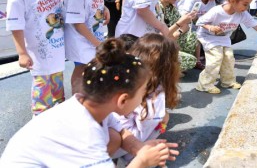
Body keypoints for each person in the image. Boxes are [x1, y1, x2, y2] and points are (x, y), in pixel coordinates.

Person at [0, 38, 179, 167]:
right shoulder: (87, 136)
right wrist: (142, 162)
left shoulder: (87, 106)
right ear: (123, 100)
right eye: (142, 93)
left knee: (115, 136)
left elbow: (122, 131)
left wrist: (139, 149)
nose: (143, 99)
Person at [2, 0, 66, 115]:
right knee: (42, 103)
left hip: (57, 53)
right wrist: (22, 53)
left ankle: (59, 126)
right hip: (39, 56)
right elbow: (16, 26)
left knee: (58, 98)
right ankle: (40, 130)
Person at [113, 33, 181, 164]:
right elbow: (146, 124)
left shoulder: (124, 73)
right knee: (162, 118)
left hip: (108, 135)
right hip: (122, 143)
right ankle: (133, 158)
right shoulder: (155, 90)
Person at [63, 0, 109, 94]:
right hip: (80, 40)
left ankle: (89, 96)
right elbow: (78, 24)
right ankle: (77, 99)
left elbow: (97, 1)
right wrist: (96, 43)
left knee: (93, 66)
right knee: (81, 68)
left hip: (94, 36)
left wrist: (105, 8)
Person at [178, 0, 223, 70]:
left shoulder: (212, 2)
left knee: (206, 35)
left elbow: (211, 18)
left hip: (198, 25)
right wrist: (202, 22)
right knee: (195, 36)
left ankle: (198, 60)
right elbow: (185, 16)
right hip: (184, 24)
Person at [158, 0, 198, 71]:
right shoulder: (156, 7)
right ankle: (164, 69)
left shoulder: (171, 7)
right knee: (191, 61)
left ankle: (172, 67)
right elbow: (160, 37)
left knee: (192, 36)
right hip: (158, 46)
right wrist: (179, 25)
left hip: (170, 41)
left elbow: (186, 27)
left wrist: (177, 33)